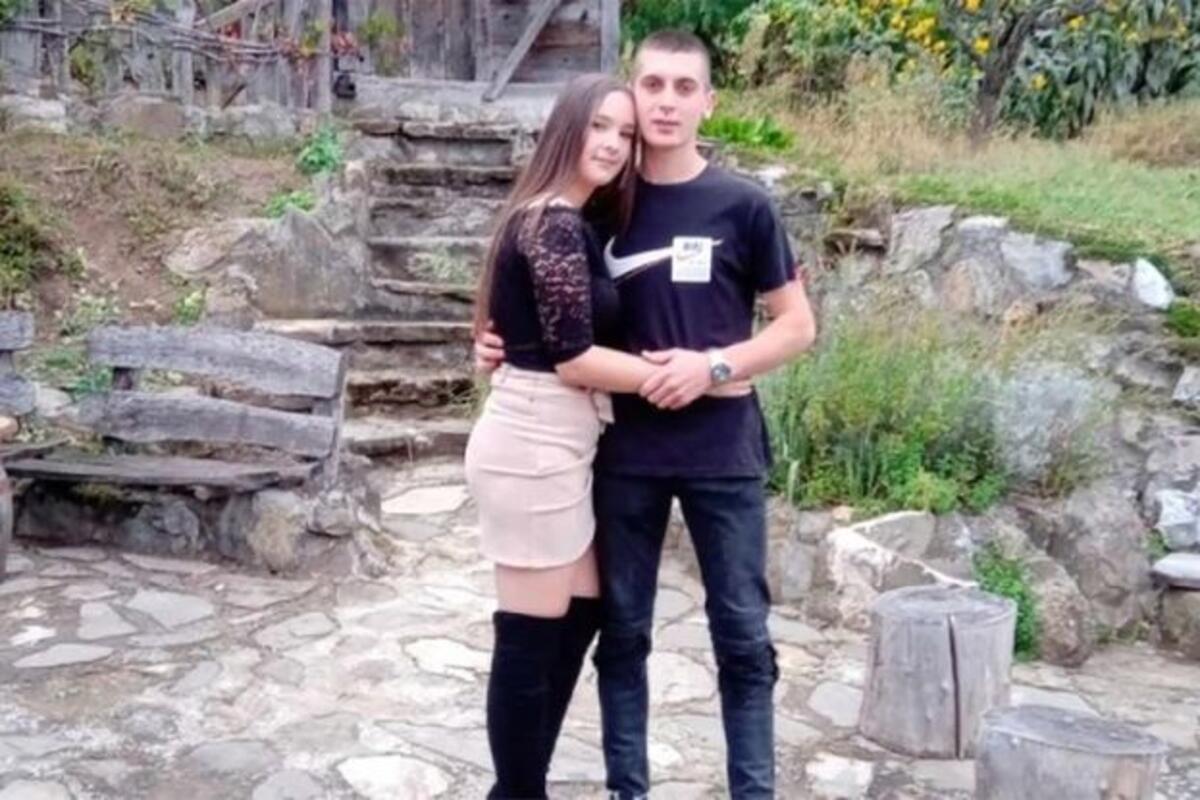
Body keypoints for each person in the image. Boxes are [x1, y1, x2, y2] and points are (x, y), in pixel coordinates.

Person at [475, 31, 818, 799]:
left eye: (683, 87)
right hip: (622, 453)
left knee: (742, 640)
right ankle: (625, 789)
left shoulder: (745, 205)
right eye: (652, 86)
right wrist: (498, 340)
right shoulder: (600, 207)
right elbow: (534, 295)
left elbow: (797, 326)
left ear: (708, 102)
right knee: (621, 636)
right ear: (634, 92)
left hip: (725, 454)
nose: (665, 103)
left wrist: (714, 367)